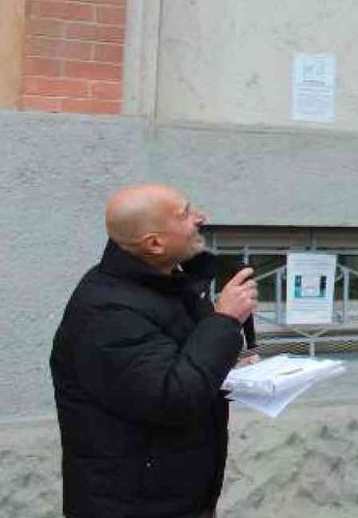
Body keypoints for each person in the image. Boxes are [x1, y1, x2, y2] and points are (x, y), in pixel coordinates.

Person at [51, 184, 259, 518]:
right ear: (154, 243)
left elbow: (185, 361)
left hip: (177, 496)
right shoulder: (107, 311)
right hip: (132, 505)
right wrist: (224, 320)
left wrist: (233, 364)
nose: (201, 218)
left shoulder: (168, 284)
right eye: (186, 214)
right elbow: (172, 397)